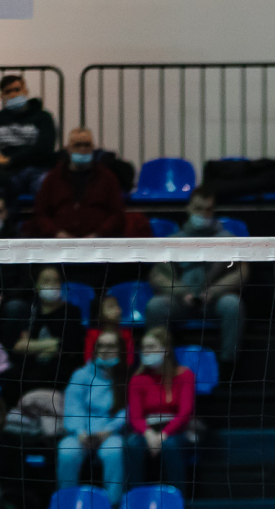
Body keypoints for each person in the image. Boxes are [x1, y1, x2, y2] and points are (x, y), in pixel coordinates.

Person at [146, 186, 248, 364]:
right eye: (198, 208)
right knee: (155, 306)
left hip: (214, 301)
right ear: (188, 208)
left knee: (232, 304)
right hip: (181, 301)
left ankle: (229, 364)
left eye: (208, 209)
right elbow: (157, 275)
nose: (203, 214)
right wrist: (181, 292)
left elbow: (241, 272)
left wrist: (213, 292)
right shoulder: (173, 241)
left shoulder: (228, 240)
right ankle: (159, 363)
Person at [57, 328, 129, 503]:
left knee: (114, 451)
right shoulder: (81, 375)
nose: (104, 350)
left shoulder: (126, 377)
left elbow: (128, 411)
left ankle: (113, 506)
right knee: (67, 452)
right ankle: (67, 505)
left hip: (111, 433)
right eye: (101, 346)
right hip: (81, 433)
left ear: (120, 350)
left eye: (110, 346)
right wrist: (81, 432)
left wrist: (108, 431)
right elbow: (73, 407)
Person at [124, 327, 196, 490]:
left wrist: (164, 434)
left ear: (166, 350)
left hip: (177, 429)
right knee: (132, 444)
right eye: (144, 348)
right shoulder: (137, 379)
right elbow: (135, 416)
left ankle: (178, 496)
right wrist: (149, 434)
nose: (146, 352)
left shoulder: (185, 375)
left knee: (170, 445)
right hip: (148, 429)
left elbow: (185, 412)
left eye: (151, 347)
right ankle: (135, 496)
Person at [3, 265, 86, 400]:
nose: (52, 285)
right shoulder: (31, 311)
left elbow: (66, 347)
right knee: (10, 378)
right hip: (30, 369)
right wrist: (53, 343)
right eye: (46, 281)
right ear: (36, 286)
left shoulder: (72, 312)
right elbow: (19, 346)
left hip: (60, 370)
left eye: (55, 281)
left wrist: (33, 347)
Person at [26, 128, 126, 238]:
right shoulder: (53, 178)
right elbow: (41, 214)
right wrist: (57, 233)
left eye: (87, 145)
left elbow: (117, 214)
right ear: (68, 149)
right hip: (59, 242)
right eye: (77, 145)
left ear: (92, 148)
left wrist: (97, 235)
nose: (83, 149)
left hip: (98, 242)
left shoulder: (107, 178)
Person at [0, 74, 58, 200]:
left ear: (25, 91)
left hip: (38, 170)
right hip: (8, 174)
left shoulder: (43, 117)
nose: (13, 94)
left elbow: (44, 149)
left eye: (17, 89)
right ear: (2, 95)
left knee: (48, 186)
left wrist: (11, 159)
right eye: (8, 91)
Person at [84, 293, 135, 367]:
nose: (118, 310)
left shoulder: (126, 335)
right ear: (99, 313)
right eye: (111, 307)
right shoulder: (92, 335)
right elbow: (88, 361)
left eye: (117, 306)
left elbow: (129, 362)